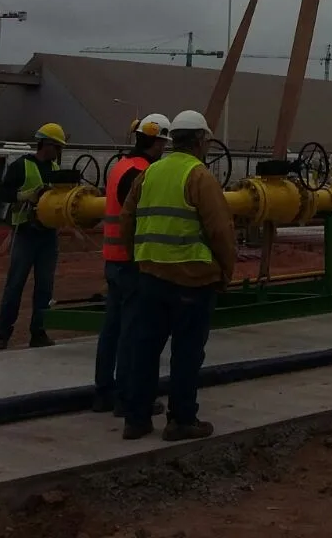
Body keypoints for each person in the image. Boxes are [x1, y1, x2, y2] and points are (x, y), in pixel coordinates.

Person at [118, 109, 236, 442]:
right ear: (200, 140)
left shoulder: (150, 174)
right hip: (192, 281)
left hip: (150, 276)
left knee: (144, 349)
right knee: (186, 354)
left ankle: (136, 419)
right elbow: (221, 231)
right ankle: (181, 419)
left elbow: (127, 220)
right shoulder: (200, 177)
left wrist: (137, 260)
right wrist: (225, 272)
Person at [92, 113, 172, 415]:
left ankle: (103, 392)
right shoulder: (142, 172)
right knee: (132, 331)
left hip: (113, 260)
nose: (164, 147)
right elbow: (139, 217)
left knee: (111, 330)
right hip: (132, 263)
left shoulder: (120, 166)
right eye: (163, 141)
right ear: (156, 140)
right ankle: (127, 398)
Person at [0, 123, 67, 350]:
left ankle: (38, 333)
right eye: (56, 147)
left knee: (45, 287)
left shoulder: (55, 168)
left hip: (47, 235)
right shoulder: (21, 165)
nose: (58, 152)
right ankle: (3, 335)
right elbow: (3, 193)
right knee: (15, 285)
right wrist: (23, 195)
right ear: (46, 144)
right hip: (25, 232)